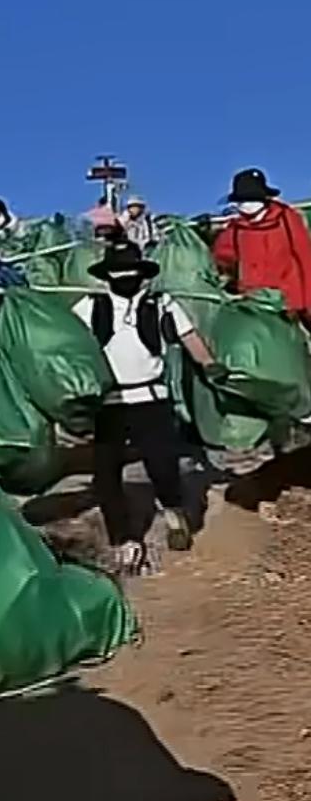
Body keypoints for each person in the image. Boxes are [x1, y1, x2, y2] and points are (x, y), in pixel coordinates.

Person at [73, 237, 216, 571]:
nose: (125, 276)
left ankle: (173, 512)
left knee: (162, 464)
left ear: (141, 272)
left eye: (130, 270)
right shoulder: (89, 307)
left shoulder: (162, 303)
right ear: (107, 275)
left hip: (151, 398)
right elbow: (69, 345)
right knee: (106, 475)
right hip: (109, 402)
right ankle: (123, 538)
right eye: (118, 270)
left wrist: (210, 365)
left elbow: (189, 337)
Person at [212, 169, 311, 321]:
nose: (245, 205)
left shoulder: (287, 219)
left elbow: (304, 258)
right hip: (254, 307)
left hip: (289, 308)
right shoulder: (233, 231)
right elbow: (221, 260)